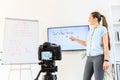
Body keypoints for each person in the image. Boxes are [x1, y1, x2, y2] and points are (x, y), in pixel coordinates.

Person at [69, 11, 110, 80]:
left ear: (95, 19)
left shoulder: (103, 29)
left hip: (98, 58)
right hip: (89, 58)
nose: (88, 20)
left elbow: (106, 46)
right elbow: (86, 43)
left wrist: (106, 60)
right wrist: (75, 39)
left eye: (90, 18)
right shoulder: (90, 31)